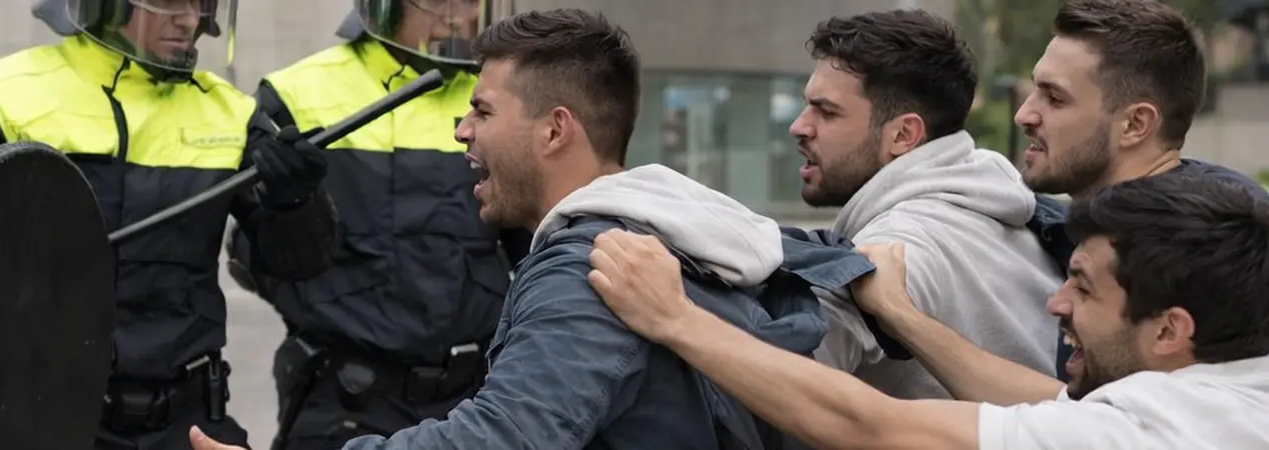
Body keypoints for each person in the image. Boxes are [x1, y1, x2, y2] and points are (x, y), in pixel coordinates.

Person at [191, 9, 874, 450]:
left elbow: (506, 437)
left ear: (554, 130)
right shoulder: (666, 221)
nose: (460, 129)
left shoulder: (593, 267)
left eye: (481, 111)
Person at [0, 1, 337, 448]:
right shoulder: (0, 98)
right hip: (41, 420)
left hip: (190, 423)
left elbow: (296, 264)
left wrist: (297, 201)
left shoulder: (231, 114)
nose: (190, 20)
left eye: (201, 3)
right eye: (168, 2)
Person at [585, 172, 1269, 449]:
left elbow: (872, 425)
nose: (1056, 301)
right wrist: (903, 316)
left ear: (1171, 330)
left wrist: (677, 318)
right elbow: (1050, 400)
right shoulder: (1229, 385)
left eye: (1085, 288)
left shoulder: (1153, 438)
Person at [221, 3, 526, 449]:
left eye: (472, 0)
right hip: (345, 399)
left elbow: (534, 245)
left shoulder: (502, 98)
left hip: (473, 398)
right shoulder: (296, 94)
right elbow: (261, 255)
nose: (461, 15)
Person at [787, 9, 1062, 398]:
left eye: (826, 111)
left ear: (903, 135)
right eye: (806, 105)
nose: (799, 126)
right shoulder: (995, 199)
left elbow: (789, 385)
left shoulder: (897, 248)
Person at [1009, 0, 1264, 381]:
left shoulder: (1209, 246)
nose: (1024, 114)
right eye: (1034, 91)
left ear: (1135, 124)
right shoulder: (1117, 222)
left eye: (1055, 98)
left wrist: (907, 318)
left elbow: (1091, 421)